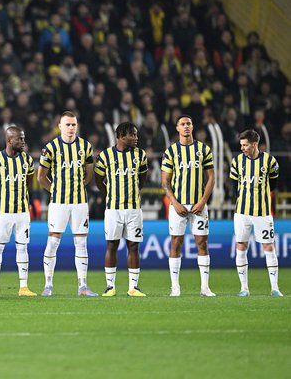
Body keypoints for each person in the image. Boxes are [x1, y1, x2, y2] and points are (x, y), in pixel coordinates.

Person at [38, 111, 98, 297]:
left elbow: (88, 175)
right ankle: (48, 285)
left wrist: (77, 188)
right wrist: (56, 191)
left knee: (81, 243)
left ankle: (83, 286)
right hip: (58, 203)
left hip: (80, 202)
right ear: (60, 126)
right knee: (53, 241)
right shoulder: (51, 147)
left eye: (73, 124)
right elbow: (41, 177)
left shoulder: (86, 147)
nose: (71, 128)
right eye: (67, 125)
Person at [161, 115, 216, 297]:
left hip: (199, 205)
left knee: (202, 242)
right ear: (177, 128)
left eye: (189, 124)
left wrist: (202, 201)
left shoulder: (203, 149)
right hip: (178, 205)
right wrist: (174, 203)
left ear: (193, 127)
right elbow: (165, 182)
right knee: (176, 243)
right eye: (182, 124)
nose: (186, 127)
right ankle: (175, 288)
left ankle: (205, 287)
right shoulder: (171, 152)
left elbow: (211, 178)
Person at [94, 122, 148, 297]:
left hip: (134, 209)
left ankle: (133, 287)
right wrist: (108, 195)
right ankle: (110, 286)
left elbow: (142, 178)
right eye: (133, 135)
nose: (136, 138)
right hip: (113, 209)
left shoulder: (140, 155)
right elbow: (98, 180)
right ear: (121, 136)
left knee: (134, 246)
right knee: (112, 244)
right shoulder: (105, 156)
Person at [229, 130, 282, 296]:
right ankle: (244, 288)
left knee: (268, 246)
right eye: (241, 145)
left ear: (254, 144)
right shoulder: (237, 161)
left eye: (245, 145)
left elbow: (273, 183)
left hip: (263, 212)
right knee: (241, 246)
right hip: (241, 212)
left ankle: (274, 288)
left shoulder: (269, 161)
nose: (242, 148)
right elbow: (233, 184)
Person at [0, 126, 37, 297]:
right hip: (2, 213)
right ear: (9, 141)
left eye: (23, 138)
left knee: (23, 247)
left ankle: (24, 287)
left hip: (22, 212)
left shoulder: (27, 160)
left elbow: (29, 182)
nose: (23, 142)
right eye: (19, 139)